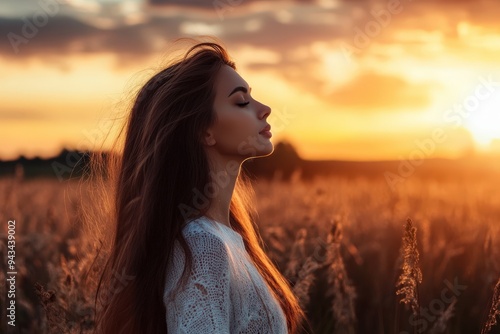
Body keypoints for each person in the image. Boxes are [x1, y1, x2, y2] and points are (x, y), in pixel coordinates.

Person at [92, 39, 305, 334]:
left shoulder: (226, 238)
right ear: (203, 130)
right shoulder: (203, 247)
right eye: (241, 101)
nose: (265, 109)